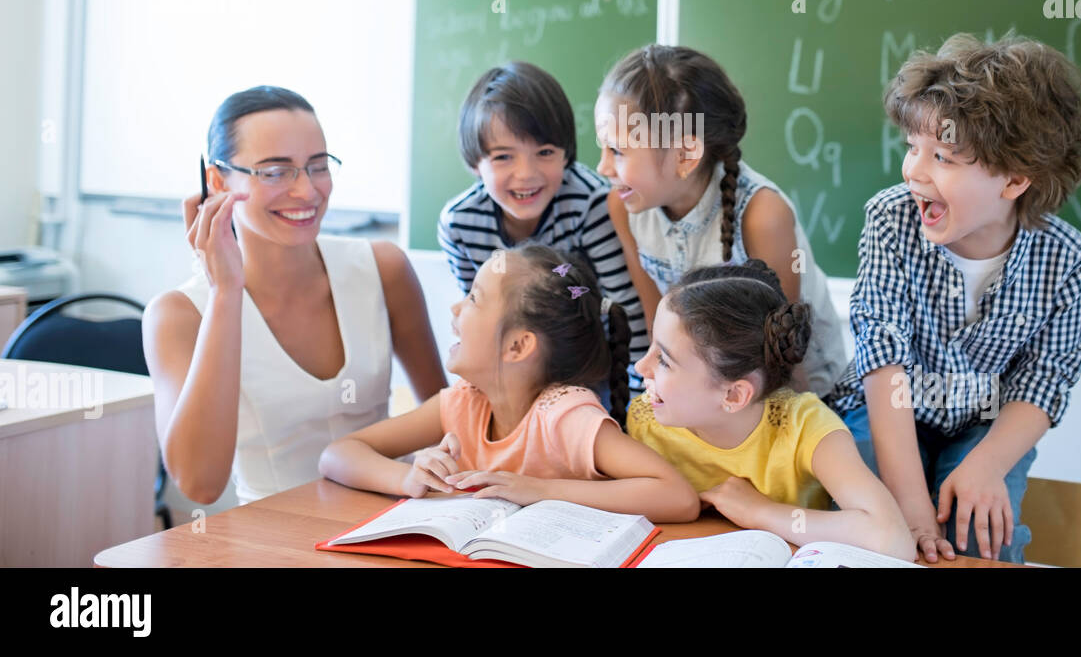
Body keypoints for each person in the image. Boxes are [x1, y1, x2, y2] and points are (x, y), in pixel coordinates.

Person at [828, 33, 1081, 563]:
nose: (914, 172)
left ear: (1015, 179)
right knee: (875, 529)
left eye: (943, 157)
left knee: (980, 533)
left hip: (985, 423)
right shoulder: (890, 218)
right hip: (886, 411)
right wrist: (908, 503)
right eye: (912, 148)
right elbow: (884, 357)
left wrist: (988, 464)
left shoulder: (1066, 258)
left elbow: (1047, 379)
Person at [143, 86, 446, 505]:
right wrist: (226, 293)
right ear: (217, 180)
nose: (307, 191)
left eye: (318, 166)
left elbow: (451, 418)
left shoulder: (383, 269)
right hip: (272, 540)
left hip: (394, 524)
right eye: (274, 171)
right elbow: (200, 484)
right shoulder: (178, 314)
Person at [320, 244, 699, 523]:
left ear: (518, 346)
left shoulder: (565, 415)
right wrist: (409, 478)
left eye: (473, 298)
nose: (455, 309)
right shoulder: (463, 403)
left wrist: (541, 491)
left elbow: (678, 497)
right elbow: (338, 454)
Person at [594, 44, 847, 398]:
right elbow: (659, 331)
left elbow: (783, 361)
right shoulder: (623, 208)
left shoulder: (762, 215)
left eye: (617, 151)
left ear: (685, 155)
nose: (602, 168)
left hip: (802, 394)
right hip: (708, 393)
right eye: (602, 147)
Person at [628, 260, 914, 560]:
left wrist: (760, 512)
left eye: (664, 361)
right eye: (652, 346)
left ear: (734, 394)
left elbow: (892, 539)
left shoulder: (806, 427)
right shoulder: (646, 420)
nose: (640, 367)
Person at [438, 62, 651, 388]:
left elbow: (623, 315)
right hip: (515, 372)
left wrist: (636, 405)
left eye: (545, 152)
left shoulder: (590, 206)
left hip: (596, 371)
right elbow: (478, 323)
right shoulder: (460, 225)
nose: (526, 174)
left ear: (567, 155)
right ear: (475, 163)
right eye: (503, 157)